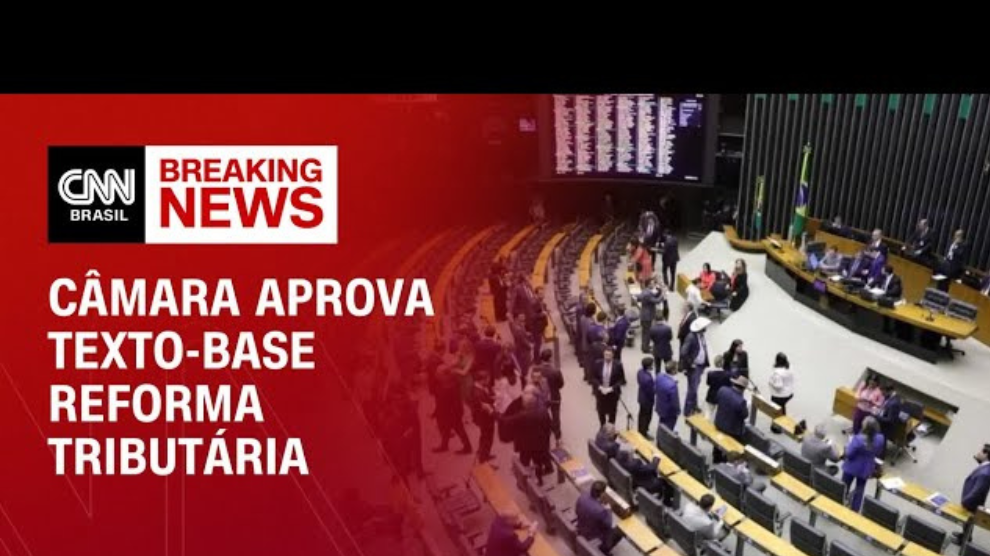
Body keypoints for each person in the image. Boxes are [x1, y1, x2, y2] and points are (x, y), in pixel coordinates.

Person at [502, 390, 553, 482]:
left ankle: (524, 481)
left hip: (525, 446)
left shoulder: (523, 415)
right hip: (538, 444)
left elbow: (506, 421)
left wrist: (492, 412)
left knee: (524, 463)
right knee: (538, 462)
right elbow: (548, 427)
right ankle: (539, 480)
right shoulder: (543, 412)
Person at [842, 416, 885, 511]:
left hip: (851, 467)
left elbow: (849, 454)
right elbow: (878, 452)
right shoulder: (880, 438)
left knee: (844, 486)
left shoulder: (858, 439)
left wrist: (848, 445)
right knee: (860, 489)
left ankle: (839, 503)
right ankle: (855, 509)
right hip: (866, 468)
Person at [952, 445, 990, 544]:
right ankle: (965, 535)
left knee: (969, 520)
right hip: (971, 500)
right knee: (967, 521)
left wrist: (965, 501)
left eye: (981, 451)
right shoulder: (985, 467)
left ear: (986, 454)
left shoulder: (985, 473)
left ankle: (964, 540)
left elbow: (977, 491)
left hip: (972, 502)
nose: (978, 452)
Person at [432, 363, 473, 455]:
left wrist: (456, 414)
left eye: (438, 373)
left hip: (453, 413)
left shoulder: (451, 385)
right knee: (445, 430)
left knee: (459, 429)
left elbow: (455, 402)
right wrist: (436, 411)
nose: (436, 375)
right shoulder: (442, 384)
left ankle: (467, 447)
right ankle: (444, 445)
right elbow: (439, 401)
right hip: (446, 412)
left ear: (444, 374)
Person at [576, 481, 624, 553]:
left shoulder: (582, 497)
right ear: (602, 494)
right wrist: (608, 509)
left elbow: (576, 511)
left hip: (581, 527)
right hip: (592, 535)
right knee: (620, 531)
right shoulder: (601, 511)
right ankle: (604, 550)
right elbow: (609, 524)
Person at [680, 316, 712, 417]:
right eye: (704, 327)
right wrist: (690, 363)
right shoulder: (691, 337)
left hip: (700, 366)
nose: (706, 328)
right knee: (692, 389)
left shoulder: (701, 335)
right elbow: (683, 352)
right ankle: (687, 411)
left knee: (695, 387)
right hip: (694, 367)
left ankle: (694, 406)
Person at [532, 348, 564, 442]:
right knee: (556, 417)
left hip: (540, 397)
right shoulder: (556, 371)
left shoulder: (536, 369)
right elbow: (561, 384)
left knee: (541, 416)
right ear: (550, 358)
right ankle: (557, 437)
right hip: (554, 397)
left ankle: (542, 434)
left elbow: (533, 382)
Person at [592, 347, 626, 426]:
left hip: (613, 394)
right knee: (601, 411)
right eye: (605, 355)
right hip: (601, 393)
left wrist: (612, 388)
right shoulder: (597, 363)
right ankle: (602, 427)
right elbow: (593, 378)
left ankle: (611, 429)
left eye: (609, 355)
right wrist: (600, 387)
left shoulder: (618, 365)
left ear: (613, 355)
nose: (607, 357)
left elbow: (622, 380)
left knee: (612, 413)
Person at [470, 368, 497, 464]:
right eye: (487, 379)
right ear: (482, 380)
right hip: (485, 419)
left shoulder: (479, 387)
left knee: (485, 437)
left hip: (484, 418)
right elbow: (486, 408)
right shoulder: (478, 394)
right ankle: (483, 459)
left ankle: (484, 453)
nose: (489, 381)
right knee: (487, 437)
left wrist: (492, 397)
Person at [714, 375, 750, 445]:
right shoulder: (741, 401)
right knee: (744, 441)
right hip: (732, 431)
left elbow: (717, 400)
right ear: (743, 389)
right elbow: (745, 415)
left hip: (718, 424)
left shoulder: (722, 390)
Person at [637, 279, 664, 353]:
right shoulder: (648, 294)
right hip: (647, 316)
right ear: (648, 284)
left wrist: (659, 291)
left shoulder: (645, 291)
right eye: (652, 283)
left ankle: (644, 346)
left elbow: (653, 296)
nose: (653, 285)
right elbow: (656, 301)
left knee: (644, 332)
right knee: (647, 333)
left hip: (644, 314)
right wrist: (662, 295)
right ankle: (645, 348)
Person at [655, 359, 681, 431]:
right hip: (669, 412)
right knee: (668, 429)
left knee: (661, 424)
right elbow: (674, 402)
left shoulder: (659, 376)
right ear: (673, 371)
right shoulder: (672, 386)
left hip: (660, 407)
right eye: (676, 368)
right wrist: (678, 411)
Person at [705, 355, 733, 419]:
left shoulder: (710, 373)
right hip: (722, 396)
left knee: (709, 412)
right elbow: (729, 385)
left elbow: (708, 383)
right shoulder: (727, 375)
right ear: (722, 363)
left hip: (711, 395)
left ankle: (705, 423)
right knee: (719, 414)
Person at [768, 353, 795, 420]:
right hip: (789, 394)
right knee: (782, 406)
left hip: (779, 396)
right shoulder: (789, 368)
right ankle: (783, 418)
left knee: (776, 404)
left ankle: (776, 422)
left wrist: (771, 383)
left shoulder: (777, 373)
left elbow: (778, 386)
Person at [637, 357, 657, 438]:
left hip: (641, 397)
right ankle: (643, 432)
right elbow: (651, 391)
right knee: (647, 417)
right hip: (647, 400)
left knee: (641, 415)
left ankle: (640, 429)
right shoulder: (648, 379)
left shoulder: (640, 372)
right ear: (649, 366)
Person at [510, 313, 533, 377]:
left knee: (522, 360)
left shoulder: (517, 325)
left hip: (519, 346)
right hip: (523, 348)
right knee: (525, 361)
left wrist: (526, 333)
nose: (524, 318)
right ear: (517, 318)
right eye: (522, 317)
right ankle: (524, 374)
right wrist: (529, 346)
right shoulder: (518, 328)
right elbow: (523, 340)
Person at [576, 302, 597, 370]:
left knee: (586, 362)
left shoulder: (582, 318)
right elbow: (592, 335)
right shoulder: (591, 322)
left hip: (583, 343)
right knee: (590, 364)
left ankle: (586, 374)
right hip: (590, 346)